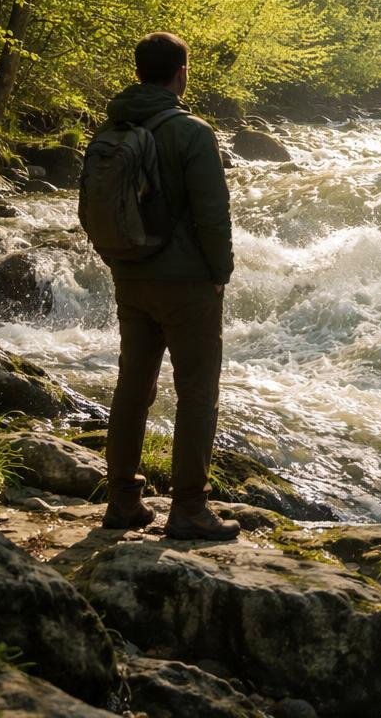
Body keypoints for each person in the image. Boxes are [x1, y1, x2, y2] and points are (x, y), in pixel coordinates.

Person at [97, 31, 239, 541]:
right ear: (181, 73)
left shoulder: (115, 126)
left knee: (132, 389)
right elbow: (212, 215)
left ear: (139, 71)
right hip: (187, 285)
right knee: (197, 393)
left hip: (131, 274)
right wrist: (219, 274)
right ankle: (188, 508)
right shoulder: (193, 132)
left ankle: (121, 501)